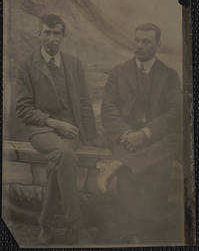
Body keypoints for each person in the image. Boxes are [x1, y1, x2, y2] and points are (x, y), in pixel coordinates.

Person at [16, 14, 96, 245]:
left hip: (72, 130)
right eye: (47, 33)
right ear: (39, 34)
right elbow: (22, 109)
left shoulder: (74, 63)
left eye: (56, 33)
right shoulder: (27, 65)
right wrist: (54, 123)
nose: (51, 38)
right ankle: (78, 226)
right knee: (62, 154)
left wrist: (91, 137)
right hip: (42, 131)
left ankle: (45, 225)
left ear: (63, 36)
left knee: (56, 164)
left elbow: (83, 103)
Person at [99, 23, 182, 244]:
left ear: (158, 44)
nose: (139, 45)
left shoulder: (171, 76)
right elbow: (108, 109)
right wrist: (127, 133)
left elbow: (173, 113)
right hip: (125, 137)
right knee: (130, 174)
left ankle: (151, 231)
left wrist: (145, 134)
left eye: (146, 41)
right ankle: (132, 234)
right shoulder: (118, 72)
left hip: (153, 139)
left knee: (162, 162)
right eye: (137, 40)